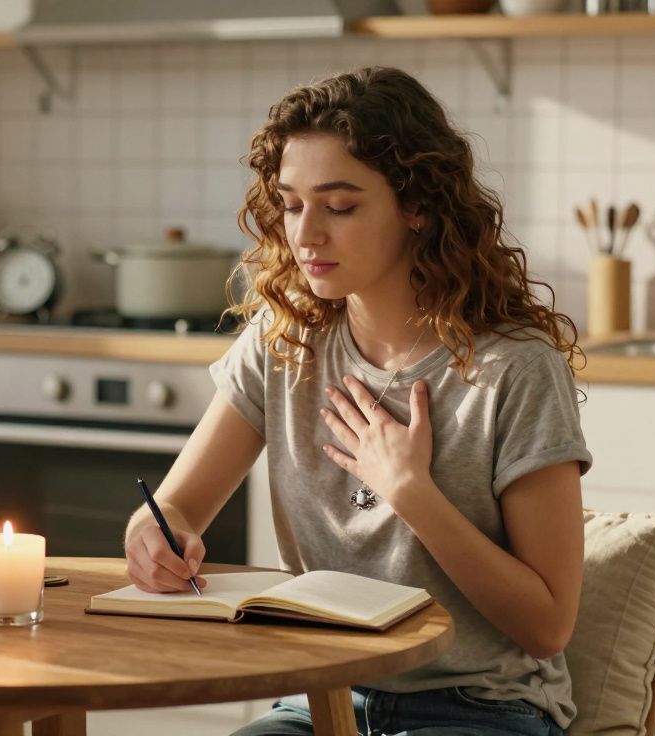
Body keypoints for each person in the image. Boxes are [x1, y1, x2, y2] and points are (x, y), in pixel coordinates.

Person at [123, 66, 589, 736]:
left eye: (339, 207)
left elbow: (548, 626)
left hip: (480, 709)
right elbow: (172, 508)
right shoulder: (285, 344)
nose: (305, 236)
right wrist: (152, 542)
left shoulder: (514, 369)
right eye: (290, 203)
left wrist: (412, 493)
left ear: (417, 206)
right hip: (319, 698)